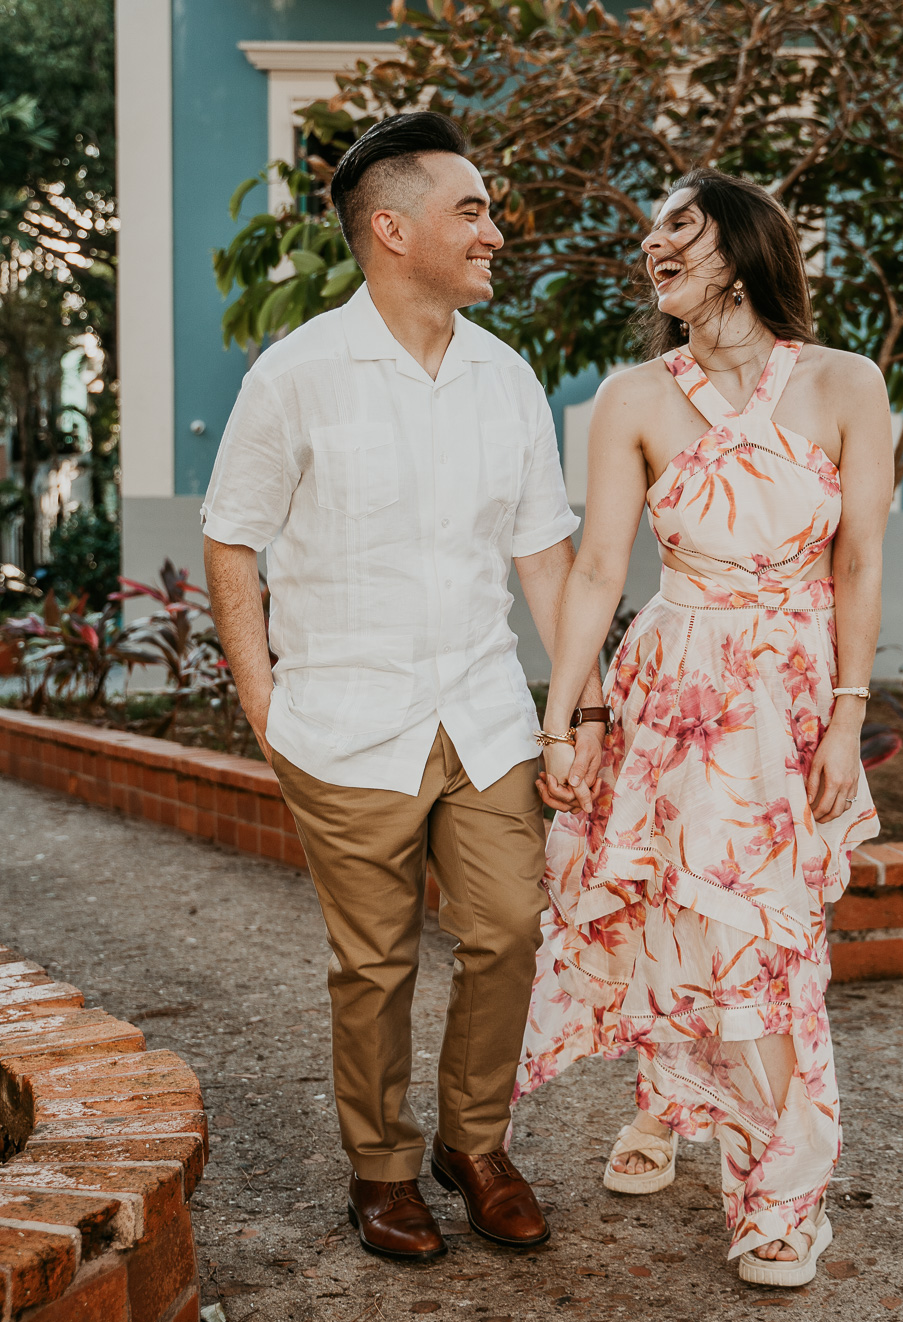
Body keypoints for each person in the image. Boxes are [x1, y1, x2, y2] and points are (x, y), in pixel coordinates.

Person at [202, 111, 606, 1262]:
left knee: (510, 928)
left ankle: (472, 1143)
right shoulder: (297, 377)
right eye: (470, 209)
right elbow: (233, 538)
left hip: (482, 715)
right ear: (392, 228)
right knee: (372, 964)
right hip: (342, 723)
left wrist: (577, 702)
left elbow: (543, 554)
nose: (493, 230)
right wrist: (262, 697)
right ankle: (381, 1168)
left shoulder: (508, 377)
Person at [515, 169, 893, 1285]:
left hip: (785, 700)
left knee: (765, 942)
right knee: (677, 913)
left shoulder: (845, 382)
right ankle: (672, 1100)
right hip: (670, 693)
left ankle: (784, 1196)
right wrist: (561, 719)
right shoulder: (632, 395)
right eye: (647, 234)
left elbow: (860, 558)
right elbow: (596, 568)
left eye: (677, 223)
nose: (652, 245)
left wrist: (847, 717)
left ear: (742, 239)